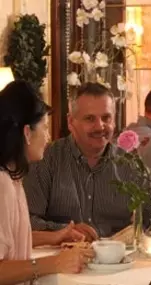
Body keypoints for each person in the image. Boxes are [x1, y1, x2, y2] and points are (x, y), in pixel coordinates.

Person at [23, 82, 151, 239]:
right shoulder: (46, 160)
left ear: (114, 121)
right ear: (70, 122)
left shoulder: (130, 165)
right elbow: (28, 221)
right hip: (62, 258)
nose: (100, 126)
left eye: (106, 118)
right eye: (90, 119)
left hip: (120, 259)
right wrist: (66, 231)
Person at [0, 80, 95, 285]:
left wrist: (55, 237)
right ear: (27, 133)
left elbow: (9, 242)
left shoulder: (12, 178)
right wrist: (55, 263)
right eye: (44, 127)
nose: (48, 136)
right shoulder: (2, 184)